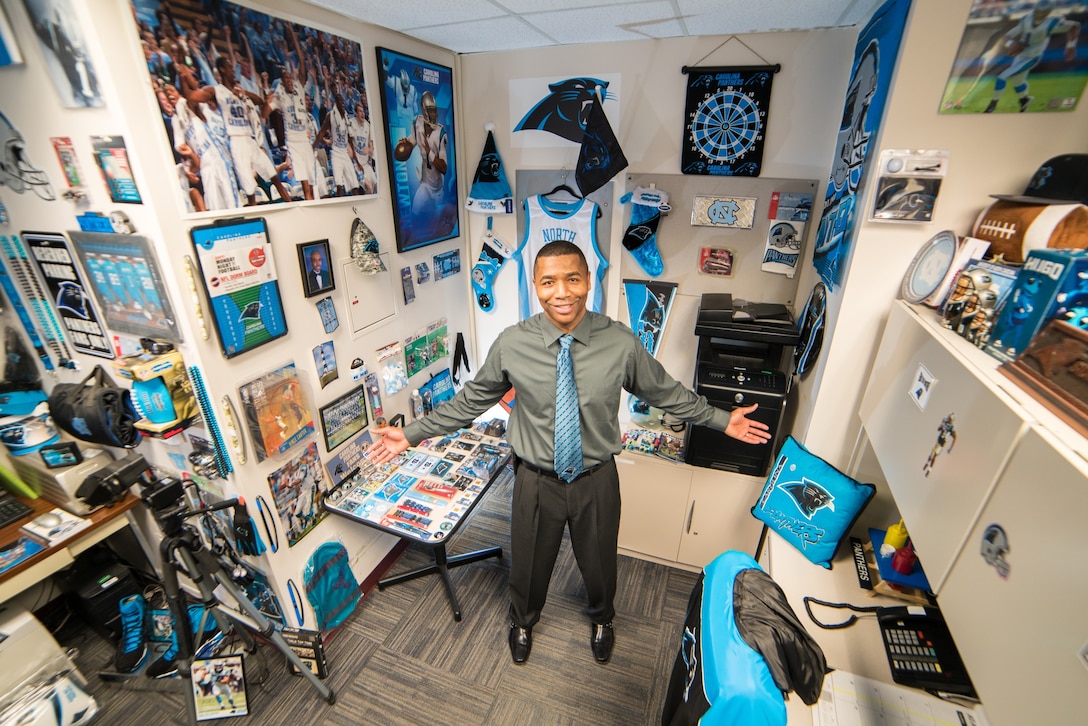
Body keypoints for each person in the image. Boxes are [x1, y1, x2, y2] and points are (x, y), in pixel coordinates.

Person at [366, 240, 770, 666]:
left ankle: (603, 618)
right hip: (534, 481)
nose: (562, 292)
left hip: (596, 479)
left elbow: (665, 392)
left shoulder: (619, 342)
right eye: (549, 282)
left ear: (588, 282)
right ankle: (522, 621)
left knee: (599, 565)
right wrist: (410, 433)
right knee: (528, 565)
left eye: (572, 279)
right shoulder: (512, 344)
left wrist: (723, 420)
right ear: (535, 286)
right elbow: (470, 401)